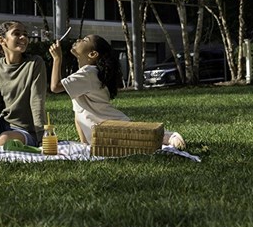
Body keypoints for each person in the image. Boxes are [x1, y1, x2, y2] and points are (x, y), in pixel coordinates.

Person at [49, 35, 185, 149]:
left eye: (84, 40)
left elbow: (55, 87)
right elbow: (78, 115)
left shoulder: (88, 73)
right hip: (103, 130)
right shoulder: (86, 74)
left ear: (92, 54)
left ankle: (168, 136)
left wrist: (57, 59)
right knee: (137, 143)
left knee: (141, 140)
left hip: (111, 125)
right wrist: (85, 144)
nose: (79, 40)